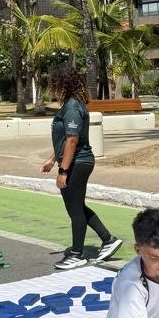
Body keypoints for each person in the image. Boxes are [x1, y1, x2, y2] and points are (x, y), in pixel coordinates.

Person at [41, 66, 122, 270]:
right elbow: (65, 141)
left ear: (62, 85)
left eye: (54, 85)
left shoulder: (71, 108)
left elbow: (72, 140)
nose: (52, 89)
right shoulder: (71, 105)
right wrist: (52, 159)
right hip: (74, 161)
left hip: (78, 163)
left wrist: (63, 171)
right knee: (77, 207)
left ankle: (77, 254)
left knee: (75, 209)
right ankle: (108, 239)